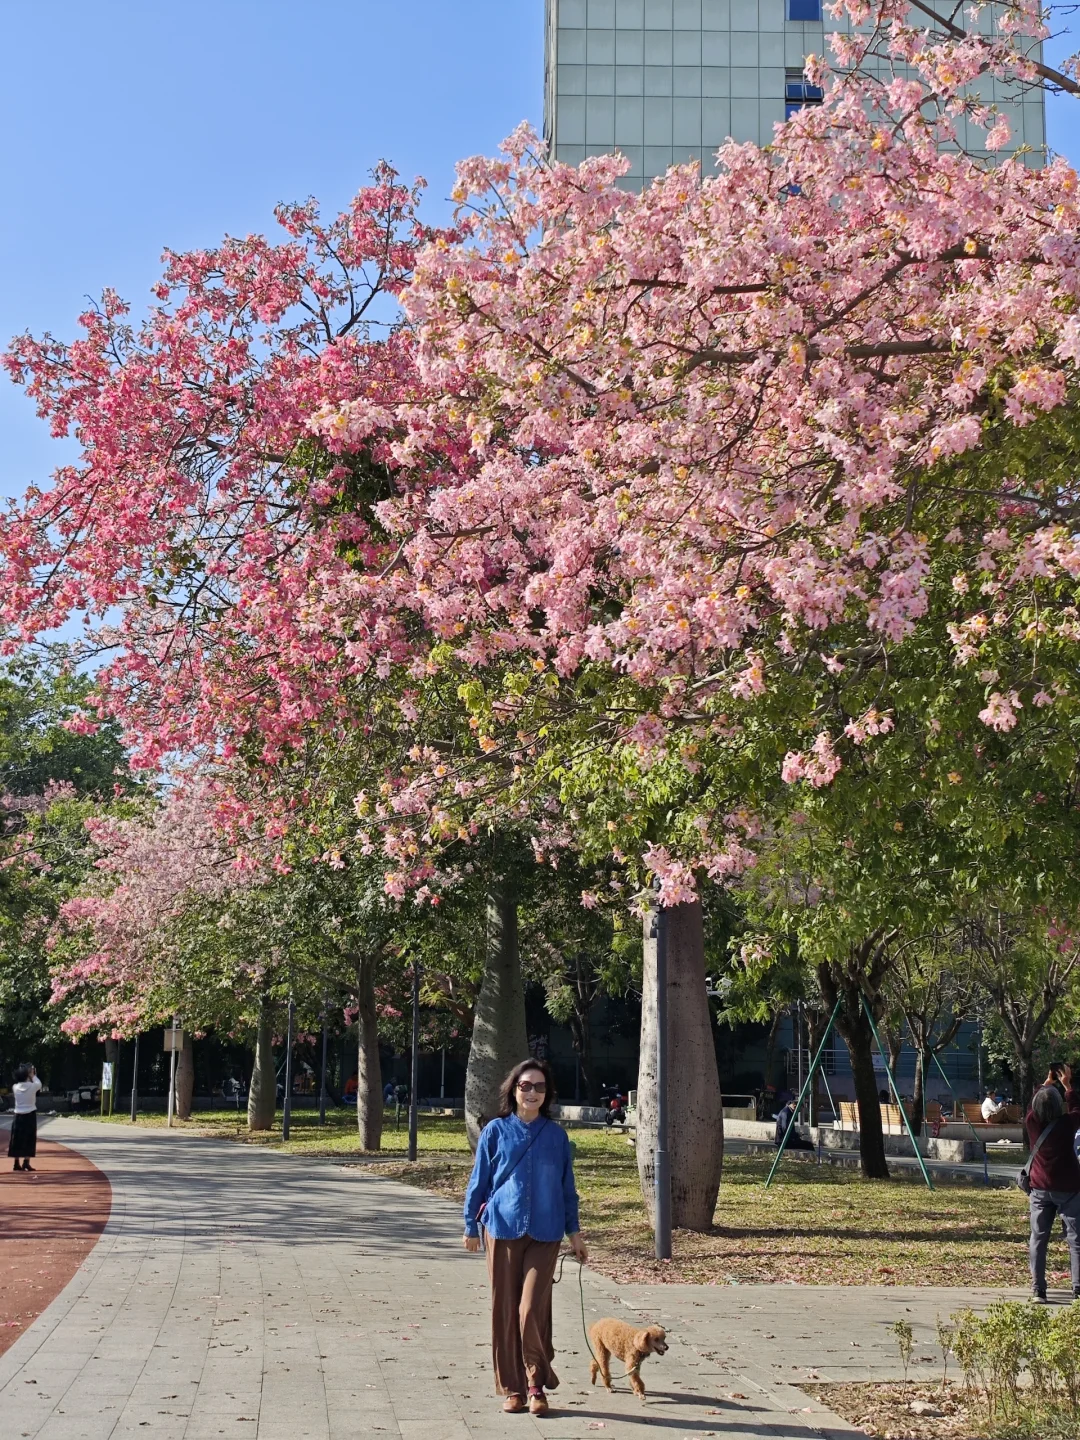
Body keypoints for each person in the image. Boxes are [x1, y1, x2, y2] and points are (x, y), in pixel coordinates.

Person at [463, 1059, 587, 1417]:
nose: (532, 1092)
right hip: (501, 1228)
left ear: (547, 1094)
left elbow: (568, 1190)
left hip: (545, 1233)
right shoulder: (496, 1131)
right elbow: (479, 1181)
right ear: (514, 1090)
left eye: (539, 1087)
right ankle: (514, 1388)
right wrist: (471, 1226)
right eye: (525, 1085)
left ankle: (535, 1383)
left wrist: (574, 1234)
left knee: (531, 1309)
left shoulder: (556, 1136)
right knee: (505, 1310)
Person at [1024, 1066, 1080, 1302]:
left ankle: (1039, 1289)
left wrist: (1046, 1083)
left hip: (1039, 1188)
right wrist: (1067, 1086)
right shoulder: (1068, 1124)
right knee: (1076, 1239)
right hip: (1069, 1188)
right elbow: (1077, 1108)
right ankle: (1078, 1289)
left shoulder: (1032, 1123)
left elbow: (1034, 1104)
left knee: (1038, 1238)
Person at [8, 1064, 42, 1172]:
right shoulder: (33, 1086)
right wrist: (33, 1075)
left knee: (16, 1139)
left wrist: (28, 1074)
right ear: (27, 1075)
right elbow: (39, 1084)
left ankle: (16, 1163)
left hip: (18, 1115)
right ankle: (26, 1162)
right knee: (29, 1138)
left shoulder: (15, 1087)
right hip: (30, 1114)